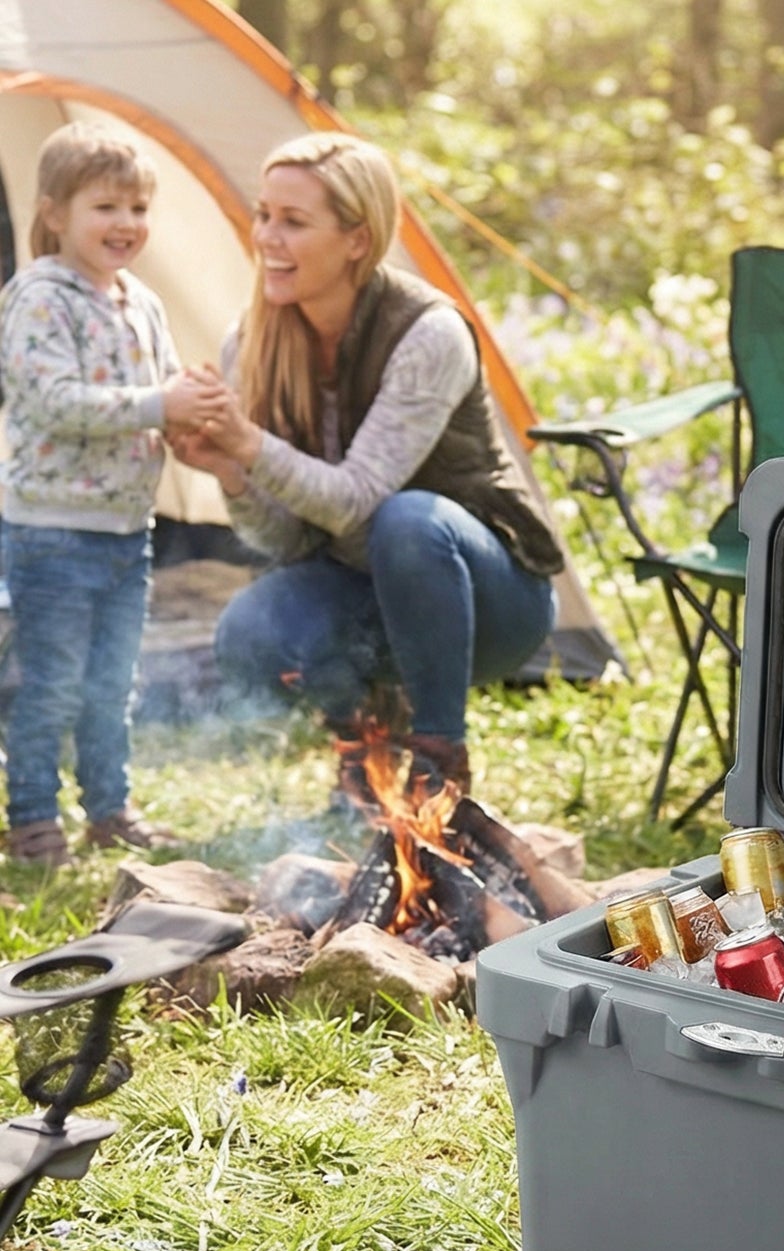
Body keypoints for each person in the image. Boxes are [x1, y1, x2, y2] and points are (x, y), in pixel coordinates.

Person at [171, 132, 562, 809]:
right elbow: (290, 542)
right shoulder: (255, 340)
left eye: (293, 222)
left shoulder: (428, 333)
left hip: (492, 601)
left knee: (405, 519)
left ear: (357, 239)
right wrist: (230, 469)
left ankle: (439, 765)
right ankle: (364, 760)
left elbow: (353, 502)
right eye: (264, 215)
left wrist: (249, 441)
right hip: (366, 593)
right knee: (249, 629)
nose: (267, 236)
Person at [0, 123, 227, 868]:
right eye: (105, 206)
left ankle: (109, 806)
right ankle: (33, 818)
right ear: (55, 213)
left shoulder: (141, 301)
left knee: (112, 681)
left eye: (137, 207)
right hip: (53, 534)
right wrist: (161, 404)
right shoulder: (38, 296)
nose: (126, 224)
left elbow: (159, 396)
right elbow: (55, 403)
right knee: (52, 682)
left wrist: (192, 413)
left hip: (128, 530)